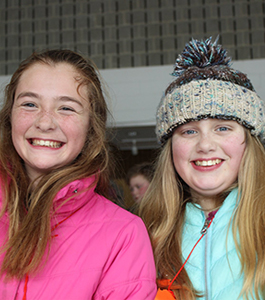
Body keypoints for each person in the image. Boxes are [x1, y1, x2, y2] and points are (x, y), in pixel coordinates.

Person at [0, 49, 157, 299]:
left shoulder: (123, 233)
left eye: (66, 108)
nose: (45, 122)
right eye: (30, 104)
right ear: (10, 116)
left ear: (91, 127)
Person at [139, 37, 265, 300]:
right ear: (171, 148)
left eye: (223, 128)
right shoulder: (144, 231)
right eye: (189, 131)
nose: (205, 145)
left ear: (248, 141)